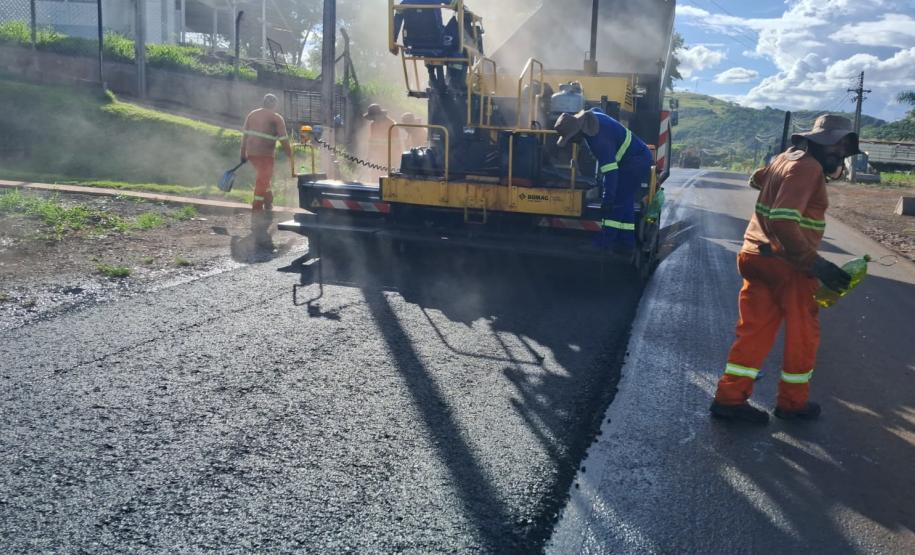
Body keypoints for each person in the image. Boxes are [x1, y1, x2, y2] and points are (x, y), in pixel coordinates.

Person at [709, 115, 861, 424]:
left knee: (754, 331)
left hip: (755, 255)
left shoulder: (786, 159)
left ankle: (729, 399)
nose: (840, 151)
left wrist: (776, 180)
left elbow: (756, 178)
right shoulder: (808, 168)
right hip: (787, 264)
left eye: (844, 145)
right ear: (821, 141)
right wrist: (814, 263)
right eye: (837, 144)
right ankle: (792, 403)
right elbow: (781, 219)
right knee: (803, 334)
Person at [554, 109, 653, 253]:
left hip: (635, 163)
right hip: (637, 157)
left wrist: (607, 199)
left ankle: (604, 244)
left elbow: (611, 174)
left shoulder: (599, 141)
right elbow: (598, 110)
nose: (572, 142)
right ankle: (627, 242)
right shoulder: (591, 116)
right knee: (626, 202)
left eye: (571, 138)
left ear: (578, 131)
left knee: (617, 202)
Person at [240, 93, 295, 247]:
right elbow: (284, 140)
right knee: (262, 182)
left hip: (252, 155)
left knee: (264, 179)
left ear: (263, 102)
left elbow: (245, 136)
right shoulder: (276, 118)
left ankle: (269, 203)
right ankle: (256, 213)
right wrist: (291, 157)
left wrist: (242, 153)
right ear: (275, 105)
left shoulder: (252, 114)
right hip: (265, 156)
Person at [365, 104, 402, 171]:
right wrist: (369, 155)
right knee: (375, 175)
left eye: (373, 117)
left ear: (378, 115)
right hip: (377, 157)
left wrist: (396, 159)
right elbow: (372, 141)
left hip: (390, 157)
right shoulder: (373, 125)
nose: (373, 119)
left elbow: (397, 144)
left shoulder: (391, 125)